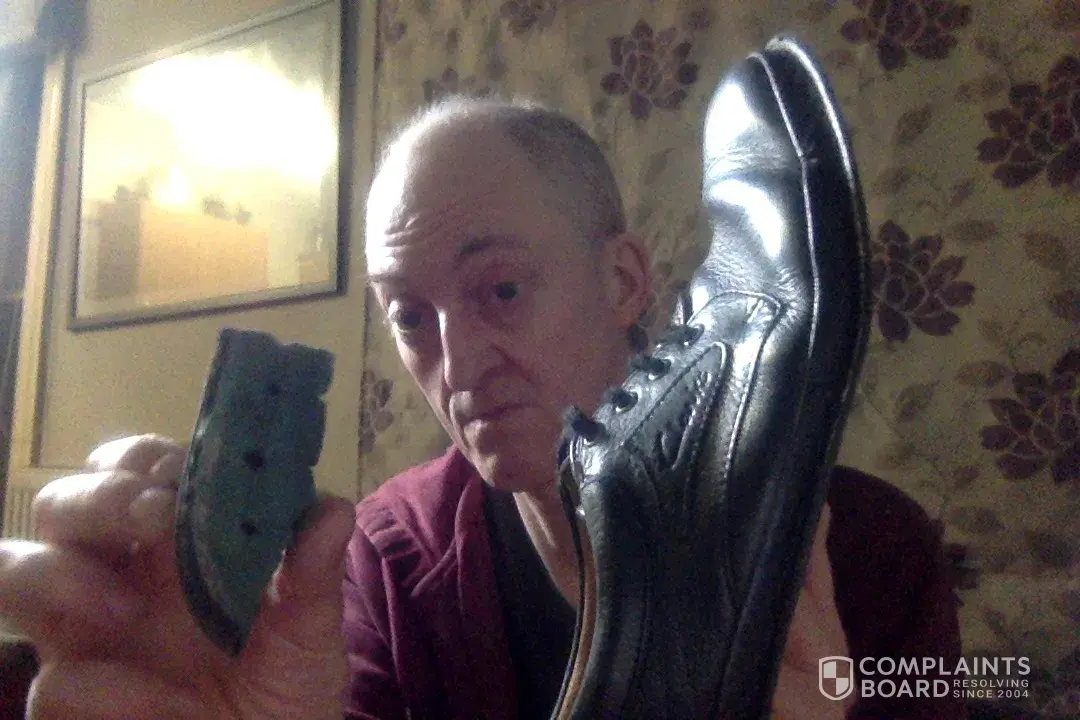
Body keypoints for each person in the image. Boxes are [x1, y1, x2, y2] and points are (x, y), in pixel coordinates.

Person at [0, 95, 962, 719]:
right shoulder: (389, 556)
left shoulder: (876, 551)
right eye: (410, 317)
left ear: (625, 281)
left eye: (500, 290)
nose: (455, 366)